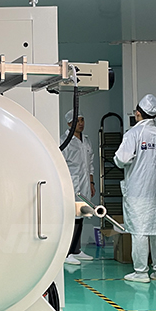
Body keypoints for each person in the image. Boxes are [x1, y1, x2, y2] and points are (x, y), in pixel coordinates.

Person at [114, 94, 156, 283]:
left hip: (138, 192)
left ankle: (140, 272)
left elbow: (121, 159)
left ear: (138, 113)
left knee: (139, 231)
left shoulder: (134, 134)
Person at [61, 109, 95, 265]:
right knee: (72, 219)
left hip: (84, 184)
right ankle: (67, 252)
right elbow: (60, 164)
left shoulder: (86, 141)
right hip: (72, 185)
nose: (81, 124)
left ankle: (76, 250)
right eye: (77, 121)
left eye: (82, 120)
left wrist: (91, 182)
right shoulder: (64, 141)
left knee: (82, 215)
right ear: (69, 123)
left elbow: (90, 164)